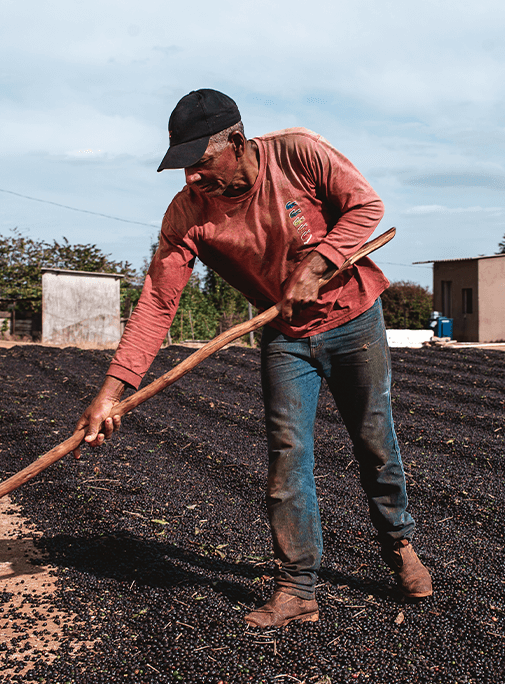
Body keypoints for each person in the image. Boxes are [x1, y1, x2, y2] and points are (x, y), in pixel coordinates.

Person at [75, 89, 430, 627]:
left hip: (355, 319)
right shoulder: (188, 213)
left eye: (201, 162)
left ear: (236, 143)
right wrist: (110, 393)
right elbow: (157, 300)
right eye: (184, 166)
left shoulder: (298, 154)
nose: (192, 176)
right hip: (285, 336)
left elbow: (367, 207)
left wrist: (317, 265)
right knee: (288, 457)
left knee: (373, 439)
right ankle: (297, 589)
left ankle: (399, 544)